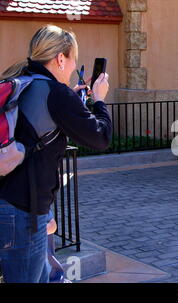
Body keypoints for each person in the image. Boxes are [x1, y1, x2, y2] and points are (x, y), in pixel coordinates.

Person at [0, 25, 112, 283]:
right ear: (61, 58)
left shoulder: (25, 81)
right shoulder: (56, 94)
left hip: (12, 206)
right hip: (23, 213)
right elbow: (101, 137)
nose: (74, 67)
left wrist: (70, 100)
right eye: (73, 59)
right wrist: (100, 100)